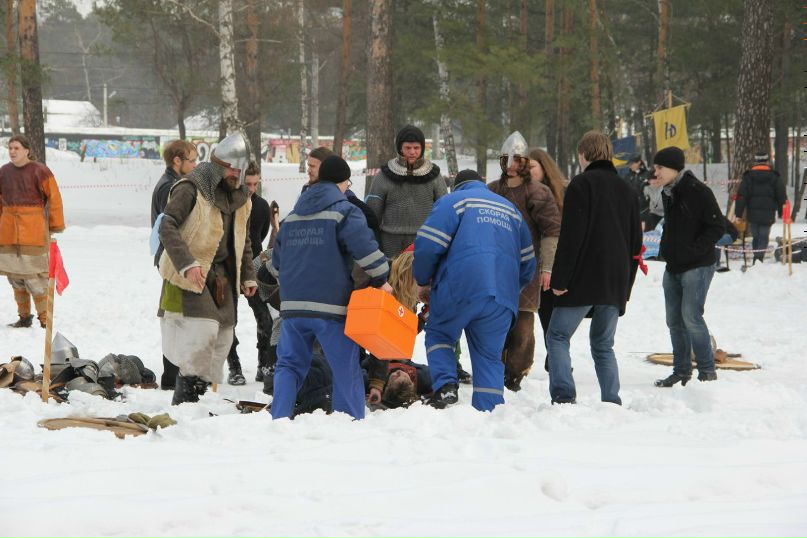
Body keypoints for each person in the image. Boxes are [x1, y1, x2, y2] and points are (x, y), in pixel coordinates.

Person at [271, 155, 392, 420]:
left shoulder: (292, 217)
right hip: (331, 307)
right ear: (342, 182)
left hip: (292, 307)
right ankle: (347, 422)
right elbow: (367, 252)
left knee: (288, 365)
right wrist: (383, 276)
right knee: (344, 366)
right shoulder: (344, 211)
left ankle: (278, 419)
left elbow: (276, 261)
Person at [413, 169, 536, 412]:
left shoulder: (453, 202)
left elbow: (428, 245)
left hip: (460, 287)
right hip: (501, 296)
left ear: (457, 186)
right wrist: (511, 289)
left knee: (439, 334)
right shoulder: (511, 211)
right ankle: (488, 409)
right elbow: (528, 262)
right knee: (490, 355)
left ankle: (447, 385)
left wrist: (423, 280)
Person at [156, 132, 257, 405]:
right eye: (234, 168)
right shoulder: (190, 188)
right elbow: (167, 226)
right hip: (190, 274)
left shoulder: (240, 197)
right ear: (220, 164)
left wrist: (248, 274)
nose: (238, 174)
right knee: (201, 334)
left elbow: (243, 239)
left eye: (241, 169)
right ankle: (186, 400)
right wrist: (187, 264)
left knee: (224, 336)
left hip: (223, 278)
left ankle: (201, 399)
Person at [547, 131, 643, 405]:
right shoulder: (627, 190)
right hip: (615, 280)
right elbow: (636, 244)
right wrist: (626, 288)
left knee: (557, 336)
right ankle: (611, 399)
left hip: (582, 277)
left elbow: (571, 236)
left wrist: (560, 279)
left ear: (584, 155)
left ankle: (564, 395)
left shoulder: (581, 185)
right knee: (603, 345)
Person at [486, 133, 561, 392]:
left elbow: (552, 232)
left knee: (523, 326)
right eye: (506, 159)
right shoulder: (492, 190)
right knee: (495, 320)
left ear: (524, 161)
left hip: (527, 268)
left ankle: (515, 374)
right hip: (495, 266)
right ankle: (493, 368)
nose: (510, 164)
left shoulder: (538, 192)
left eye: (516, 159)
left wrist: (548, 268)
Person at [651, 146, 724, 387]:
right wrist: (667, 250)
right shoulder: (668, 191)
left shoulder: (697, 191)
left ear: (673, 167)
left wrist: (694, 251)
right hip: (673, 266)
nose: (656, 172)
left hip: (697, 265)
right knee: (674, 321)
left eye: (660, 167)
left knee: (691, 317)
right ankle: (681, 371)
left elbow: (717, 227)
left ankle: (706, 370)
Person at [0, 135, 65, 328]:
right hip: (9, 232)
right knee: (16, 277)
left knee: (35, 278)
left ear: (27, 150)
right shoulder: (3, 172)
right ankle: (24, 317)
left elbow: (54, 199)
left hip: (33, 232)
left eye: (16, 148)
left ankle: (45, 318)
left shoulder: (40, 171)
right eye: (10, 148)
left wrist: (55, 224)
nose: (12, 151)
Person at [150, 139, 198, 389]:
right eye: (192, 160)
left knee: (179, 315)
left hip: (174, 258)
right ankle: (171, 377)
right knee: (174, 316)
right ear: (177, 161)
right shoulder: (170, 186)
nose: (196, 165)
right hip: (172, 259)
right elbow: (171, 227)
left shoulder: (175, 182)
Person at [366, 124, 447, 259]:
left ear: (422, 149)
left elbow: (444, 212)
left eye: (416, 148)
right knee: (392, 279)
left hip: (424, 240)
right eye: (408, 148)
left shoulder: (434, 176)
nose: (412, 152)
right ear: (400, 148)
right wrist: (374, 244)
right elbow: (373, 215)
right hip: (391, 242)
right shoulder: (383, 176)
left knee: (420, 279)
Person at [225, 161, 271, 385]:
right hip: (230, 266)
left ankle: (264, 364)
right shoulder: (229, 204)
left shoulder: (261, 206)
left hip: (254, 264)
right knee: (228, 320)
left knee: (264, 318)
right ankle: (234, 366)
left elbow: (258, 236)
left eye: (255, 184)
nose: (251, 189)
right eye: (248, 184)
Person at [527, 148, 568, 372]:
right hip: (533, 261)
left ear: (544, 168)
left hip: (556, 262)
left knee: (552, 314)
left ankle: (557, 357)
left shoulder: (560, 192)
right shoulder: (526, 191)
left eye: (532, 167)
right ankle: (554, 354)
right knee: (543, 312)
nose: (528, 172)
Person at [734, 151, 787, 264]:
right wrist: (781, 212)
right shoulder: (774, 176)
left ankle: (757, 258)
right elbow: (781, 195)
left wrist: (738, 213)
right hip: (768, 213)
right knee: (764, 236)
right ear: (767, 161)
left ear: (756, 161)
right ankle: (759, 258)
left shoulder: (748, 176)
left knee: (756, 236)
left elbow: (741, 196)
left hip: (752, 214)